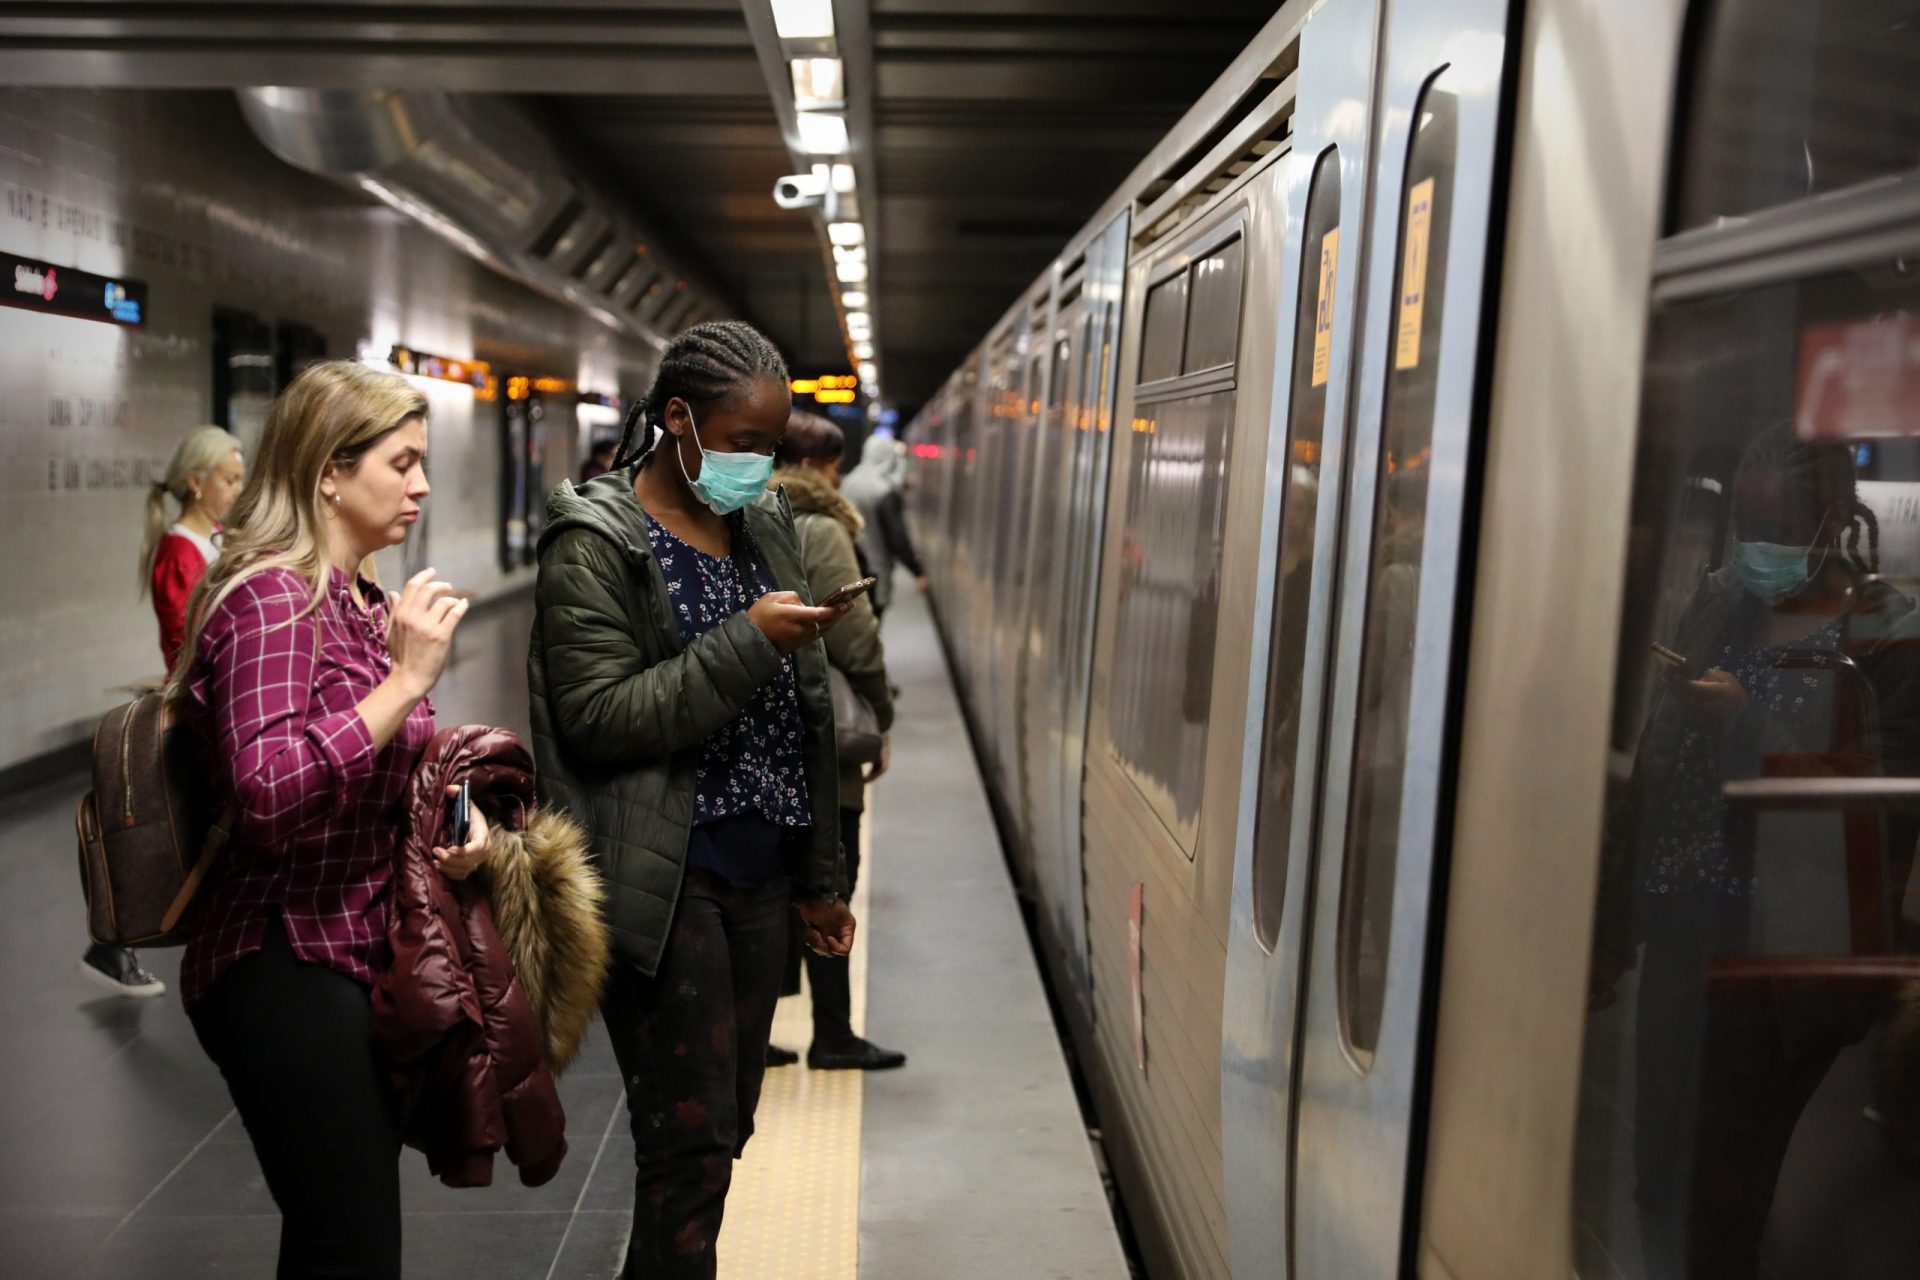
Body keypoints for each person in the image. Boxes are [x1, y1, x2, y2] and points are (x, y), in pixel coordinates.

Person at [528, 320, 857, 1279]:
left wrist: (819, 876)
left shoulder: (765, 527)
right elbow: (597, 716)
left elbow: (804, 718)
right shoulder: (596, 545)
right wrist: (750, 640)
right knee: (687, 1144)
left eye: (774, 442)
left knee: (725, 1127)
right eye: (745, 441)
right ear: (677, 419)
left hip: (762, 870)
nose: (763, 463)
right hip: (664, 875)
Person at [169, 360, 488, 1279]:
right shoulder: (272, 600)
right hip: (279, 961)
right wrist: (405, 681)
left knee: (330, 1237)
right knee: (352, 1243)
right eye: (401, 462)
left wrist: (459, 825)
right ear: (328, 474)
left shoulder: (364, 601)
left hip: (353, 947)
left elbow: (408, 751)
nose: (421, 484)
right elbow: (265, 793)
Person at [1590, 424, 1920, 1279]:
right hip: (1682, 926)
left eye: (1776, 528)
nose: (1757, 548)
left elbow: (1881, 812)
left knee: (1726, 1188)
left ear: (1832, 523)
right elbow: (1660, 762)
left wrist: (1749, 730)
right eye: (1745, 524)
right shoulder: (1720, 597)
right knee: (1656, 1160)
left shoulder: (1889, 633)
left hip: (1784, 960)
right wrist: (1612, 926)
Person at [78, 427, 249, 1000]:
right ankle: (117, 938)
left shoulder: (218, 541)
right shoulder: (180, 550)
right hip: (200, 708)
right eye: (229, 478)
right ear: (196, 484)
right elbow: (192, 638)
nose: (238, 488)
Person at [770, 411, 907, 1071]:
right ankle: (832, 1034)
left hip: (760, 736)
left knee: (768, 885)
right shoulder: (822, 528)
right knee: (829, 876)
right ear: (820, 469)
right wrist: (880, 713)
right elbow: (854, 638)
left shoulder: (741, 519)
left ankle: (758, 1032)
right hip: (815, 735)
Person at [839, 435, 926, 617]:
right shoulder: (885, 490)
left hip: (847, 564)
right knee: (872, 621)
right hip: (874, 569)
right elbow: (897, 537)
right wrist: (917, 571)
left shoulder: (848, 482)